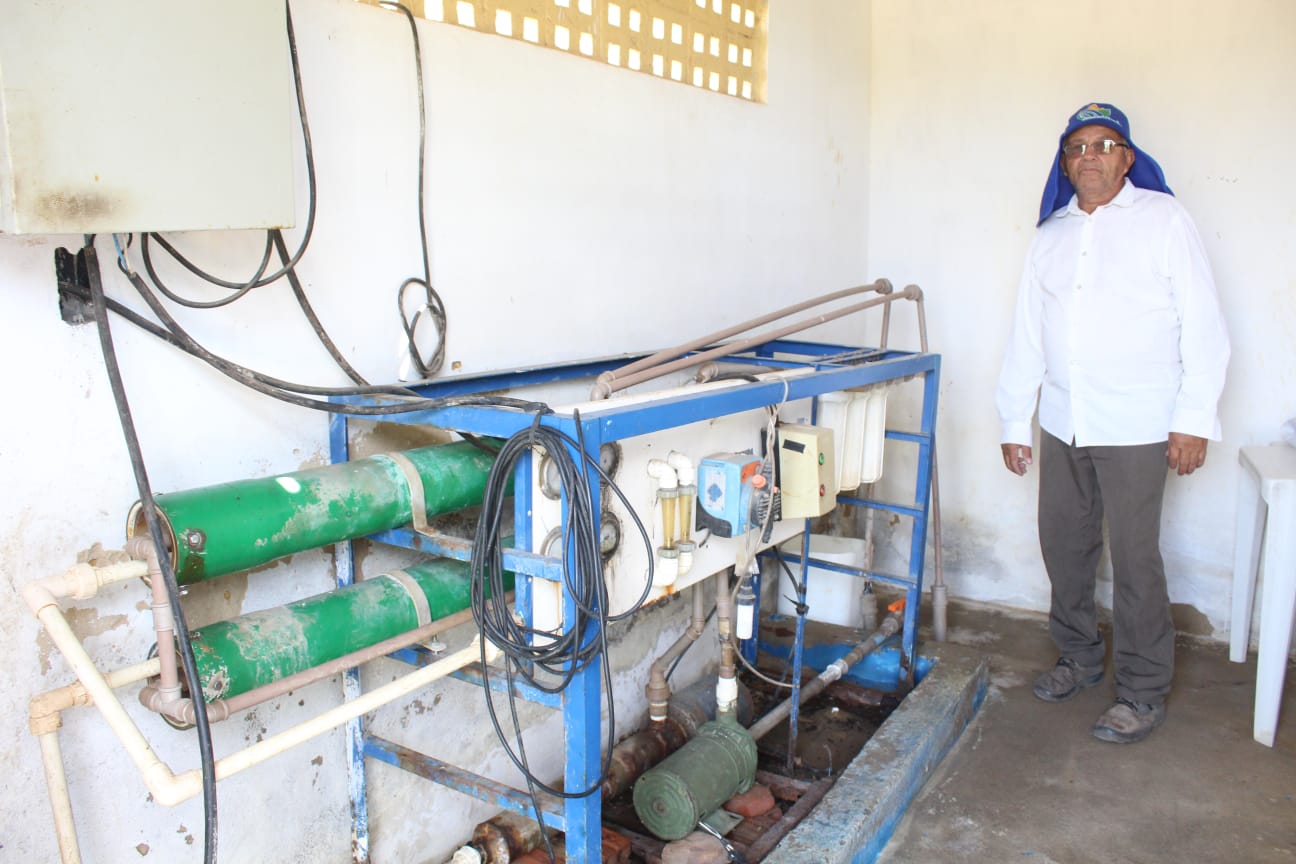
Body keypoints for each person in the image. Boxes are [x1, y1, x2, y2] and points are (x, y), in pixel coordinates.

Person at [996, 102, 1230, 743]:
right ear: (1065, 163)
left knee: (1134, 558)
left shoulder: (1164, 220)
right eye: (1078, 147)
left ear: (1127, 157)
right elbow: (1028, 335)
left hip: (1139, 423)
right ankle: (1078, 656)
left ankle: (1144, 690)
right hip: (1066, 420)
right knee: (1063, 547)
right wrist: (1016, 419)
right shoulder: (1051, 236)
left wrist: (1193, 420)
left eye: (1104, 146)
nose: (1090, 157)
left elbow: (1203, 325)